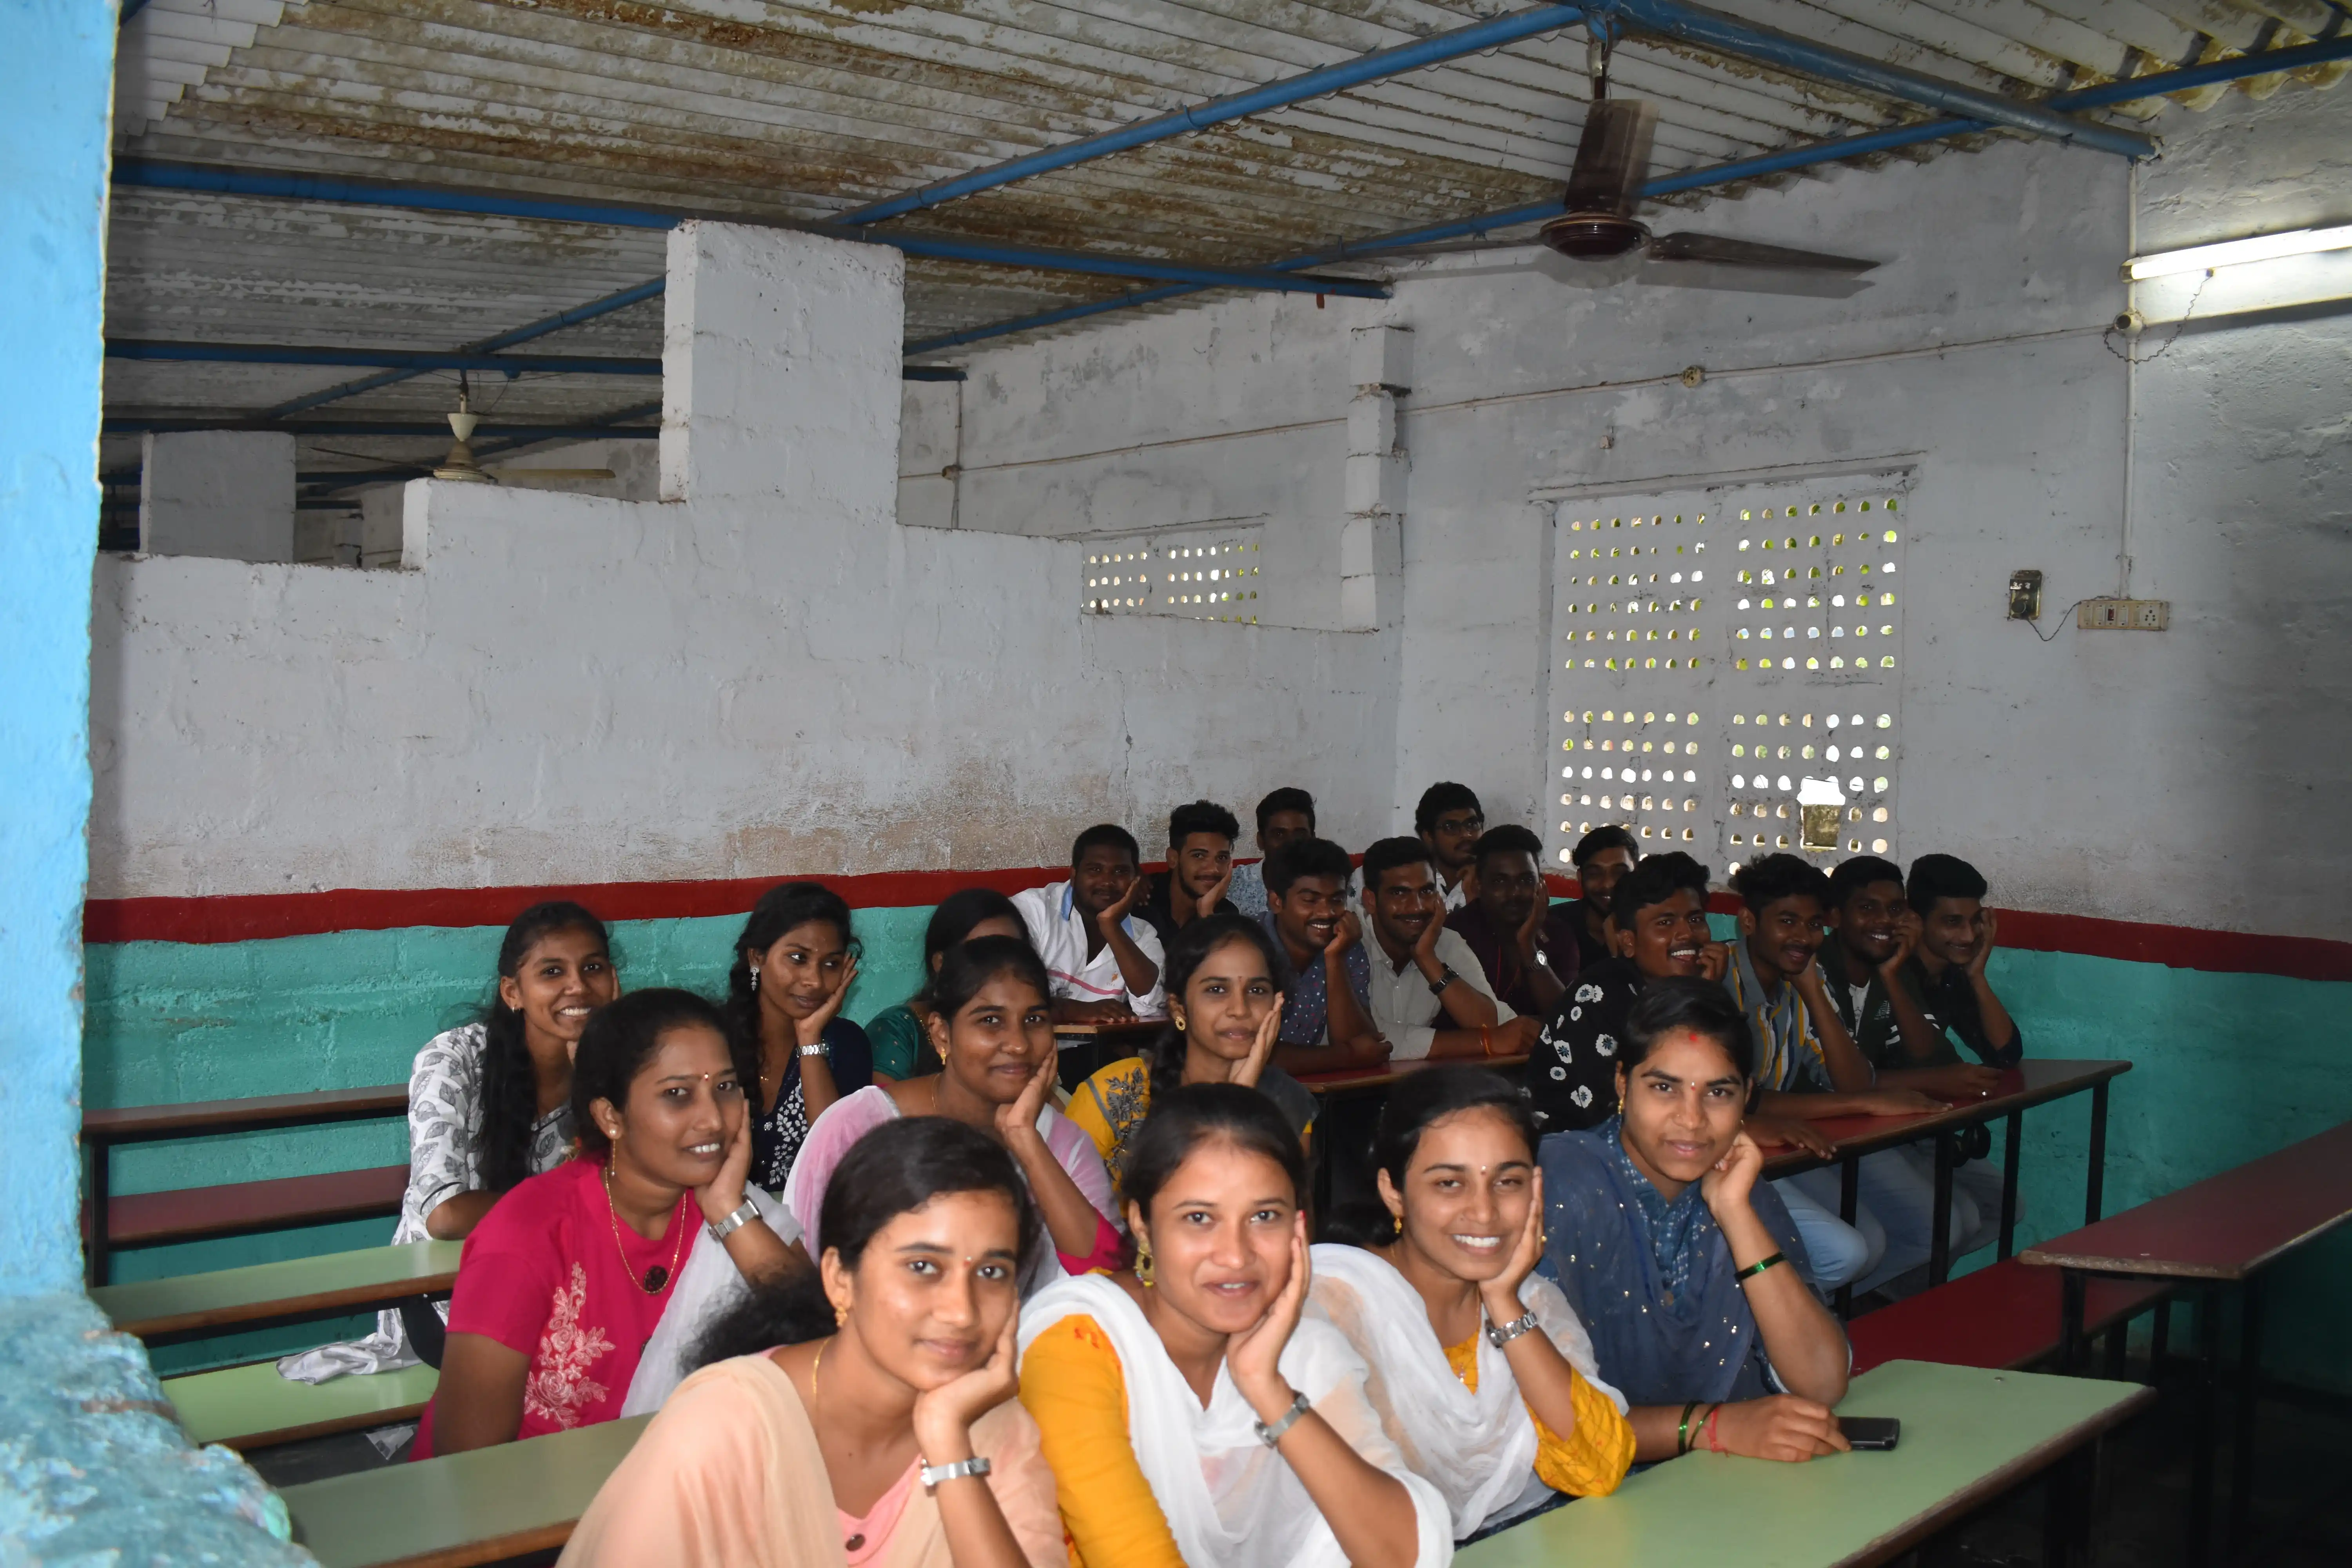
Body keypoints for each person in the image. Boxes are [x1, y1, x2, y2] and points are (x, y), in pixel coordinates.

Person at [562, 1118, 1066, 1568]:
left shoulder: (996, 1434)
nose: (962, 1309)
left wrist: (950, 1446)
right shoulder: (725, 1425)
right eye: (922, 1267)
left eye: (992, 1271)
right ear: (840, 1279)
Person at [1018, 1083, 1454, 1568]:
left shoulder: (1298, 1341)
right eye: (1200, 1218)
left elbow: (1404, 1553)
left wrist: (1267, 1390)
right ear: (1141, 1222)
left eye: (1264, 1216)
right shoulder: (1078, 1344)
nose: (1236, 1255)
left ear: (1299, 1226)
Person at [417, 989, 796, 1457]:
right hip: (535, 1507)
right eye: (677, 1095)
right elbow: (466, 1458)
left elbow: (818, 1340)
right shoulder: (527, 1234)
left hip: (690, 1488)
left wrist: (726, 1210)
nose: (714, 1120)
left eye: (725, 1087)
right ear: (610, 1116)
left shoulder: (732, 1203)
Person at [282, 902, 623, 1382]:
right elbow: (445, 1215)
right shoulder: (455, 1060)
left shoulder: (618, 1068)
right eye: (553, 971)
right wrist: (578, 1206)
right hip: (446, 1297)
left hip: (566, 1283)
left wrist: (600, 1066)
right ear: (513, 992)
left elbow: (631, 1192)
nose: (578, 986)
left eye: (594, 968)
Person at [1538, 980, 1855, 1463]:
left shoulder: (1743, 1192)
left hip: (1719, 1475)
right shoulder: (1562, 1186)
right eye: (1664, 1087)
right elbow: (1541, 1417)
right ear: (1623, 1084)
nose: (1691, 1119)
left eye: (1718, 1092)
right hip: (1580, 1492)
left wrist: (1736, 1213)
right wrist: (1711, 1426)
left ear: (1747, 1097)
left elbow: (1822, 1381)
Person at [1312, 1068, 1635, 1539]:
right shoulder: (1332, 1307)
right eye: (1449, 1183)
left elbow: (1597, 1470)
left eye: (1508, 1182)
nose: (1484, 1213)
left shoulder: (1532, 1303)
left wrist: (1503, 1301)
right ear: (1393, 1192)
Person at [786, 937, 1123, 1291]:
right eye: (991, 1020)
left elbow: (1108, 1287)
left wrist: (1025, 1140)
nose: (1019, 1044)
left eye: (1035, 1019)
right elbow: (807, 1284)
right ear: (942, 1034)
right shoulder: (856, 1128)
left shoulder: (1063, 1145)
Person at [1724, 855, 1960, 1298]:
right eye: (1788, 921)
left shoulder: (1795, 985)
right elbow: (1746, 1101)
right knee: (1847, 1252)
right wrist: (1864, 1103)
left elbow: (1852, 1081)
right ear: (1749, 922)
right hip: (1725, 1152)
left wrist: (1813, 992)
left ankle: (1824, 1329)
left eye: (1814, 925)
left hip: (1778, 1148)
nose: (1803, 937)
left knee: (1871, 1245)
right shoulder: (1719, 980)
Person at [1067, 913, 1318, 1184]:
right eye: (1217, 990)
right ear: (1178, 1007)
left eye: (1257, 991)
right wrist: (1237, 1101)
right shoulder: (1114, 1093)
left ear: (1277, 1003)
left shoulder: (1285, 1100)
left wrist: (1241, 1097)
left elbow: (1285, 1219)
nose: (1240, 1009)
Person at [1522, 853, 1724, 1135]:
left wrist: (1706, 1000)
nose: (1686, 933)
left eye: (1695, 919)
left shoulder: (1703, 990)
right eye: (1665, 923)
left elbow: (1723, 1085)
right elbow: (1617, 1117)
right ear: (1629, 943)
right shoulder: (1599, 999)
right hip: (1573, 1153)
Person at [726, 882, 876, 1193]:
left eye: (831, 964)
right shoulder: (712, 1040)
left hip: (812, 1226)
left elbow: (836, 1160)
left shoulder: (846, 1045)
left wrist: (810, 1039)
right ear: (757, 957)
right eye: (798, 958)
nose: (814, 980)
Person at [1356, 837, 1534, 1064]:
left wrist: (1428, 960)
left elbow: (1499, 1024)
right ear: (1370, 901)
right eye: (1399, 894)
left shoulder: (1446, 942)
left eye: (1427, 892)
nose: (1417, 907)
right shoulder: (1350, 943)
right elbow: (1373, 1038)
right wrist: (1484, 1042)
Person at [864, 889, 1030, 1083]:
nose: (1003, 970)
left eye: (1014, 955)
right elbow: (883, 1109)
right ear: (940, 964)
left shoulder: (1029, 1029)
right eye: (982, 957)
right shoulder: (897, 1030)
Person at [1012, 824, 1165, 1023]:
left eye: (1120, 872)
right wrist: (1071, 1009)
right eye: (1095, 870)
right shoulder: (1033, 910)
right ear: (1074, 876)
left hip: (1097, 1051)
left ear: (1135, 880)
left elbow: (1153, 1007)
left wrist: (1111, 926)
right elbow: (998, 988)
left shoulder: (1143, 935)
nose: (1107, 882)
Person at [1259, 836, 1384, 1075]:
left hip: (1303, 1095)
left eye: (1337, 900)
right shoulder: (1245, 947)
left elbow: (1365, 1045)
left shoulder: (1346, 946)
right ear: (1276, 902)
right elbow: (1248, 1052)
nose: (1327, 913)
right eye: (1310, 900)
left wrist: (1335, 960)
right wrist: (1346, 1056)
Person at [1445, 825, 1579, 1018]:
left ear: (1540, 884)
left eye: (1526, 881)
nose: (1515, 893)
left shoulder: (1558, 933)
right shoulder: (1456, 933)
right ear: (1479, 885)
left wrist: (1528, 947)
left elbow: (1566, 1019)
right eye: (1500, 882)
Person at [1904, 854, 2024, 1070]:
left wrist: (1977, 976)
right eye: (1953, 922)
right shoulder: (1895, 973)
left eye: (1976, 920)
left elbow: (2006, 1055)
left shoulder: (1952, 977)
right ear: (1916, 920)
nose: (1969, 936)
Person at [1138, 800, 1241, 947]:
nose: (1214, 869)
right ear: (1173, 858)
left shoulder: (1226, 914)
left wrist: (1206, 915)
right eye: (1199, 856)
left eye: (1222, 858)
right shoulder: (1141, 899)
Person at [1229, 788, 1317, 920]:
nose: (1290, 843)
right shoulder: (1232, 884)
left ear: (1313, 839)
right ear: (1261, 841)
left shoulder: (1330, 885)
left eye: (1300, 834)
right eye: (1279, 834)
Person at [1562, 826, 1640, 973]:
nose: (1608, 884)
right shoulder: (1555, 927)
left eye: (1620, 873)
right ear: (1580, 878)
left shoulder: (1651, 930)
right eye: (1595, 874)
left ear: (1636, 873)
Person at [1414, 782, 1485, 912]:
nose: (1466, 835)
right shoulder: (1412, 886)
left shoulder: (1495, 887)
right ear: (1429, 836)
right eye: (1451, 827)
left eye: (1472, 824)